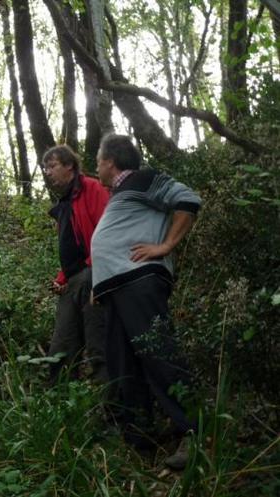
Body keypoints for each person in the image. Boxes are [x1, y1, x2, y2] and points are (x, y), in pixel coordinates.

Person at [91, 134, 201, 469]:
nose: (96, 167)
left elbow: (188, 200)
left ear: (111, 161)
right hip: (117, 288)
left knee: (159, 353)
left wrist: (165, 246)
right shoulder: (123, 194)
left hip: (138, 281)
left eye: (98, 160)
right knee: (123, 363)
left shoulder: (143, 178)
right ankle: (140, 438)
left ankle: (194, 432)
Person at [43, 144, 110, 385]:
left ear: (69, 165)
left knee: (99, 345)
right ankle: (60, 407)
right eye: (45, 168)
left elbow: (106, 233)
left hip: (94, 275)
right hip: (74, 280)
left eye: (52, 166)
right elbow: (70, 248)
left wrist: (94, 270)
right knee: (60, 349)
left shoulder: (92, 188)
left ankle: (112, 410)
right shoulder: (65, 204)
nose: (47, 172)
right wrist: (61, 279)